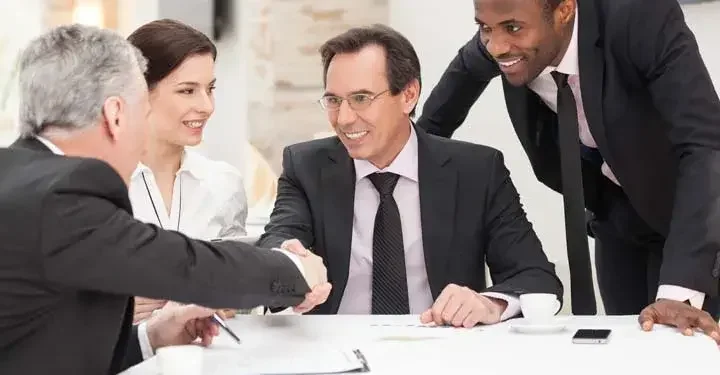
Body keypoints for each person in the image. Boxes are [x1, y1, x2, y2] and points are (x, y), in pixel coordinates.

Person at [0, 24, 331, 374]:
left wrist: (152, 336)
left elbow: (44, 348)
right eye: (142, 114)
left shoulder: (17, 174)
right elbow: (187, 264)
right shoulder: (64, 193)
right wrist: (293, 269)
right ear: (115, 115)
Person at [415, 0, 720, 340]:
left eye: (513, 28)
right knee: (629, 348)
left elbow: (705, 145)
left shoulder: (641, 16)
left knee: (688, 349)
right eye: (485, 29)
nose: (496, 47)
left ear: (564, 11)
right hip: (619, 214)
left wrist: (680, 291)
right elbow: (432, 126)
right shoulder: (502, 34)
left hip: (700, 219)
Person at [257, 24, 563, 327]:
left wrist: (489, 303)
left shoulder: (477, 171)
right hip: (336, 352)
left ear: (409, 95)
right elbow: (280, 238)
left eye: (361, 98)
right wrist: (289, 263)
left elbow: (537, 279)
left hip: (442, 350)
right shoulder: (305, 165)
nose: (345, 118)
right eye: (334, 101)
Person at [126, 19, 250, 323]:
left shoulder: (224, 184)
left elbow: (241, 292)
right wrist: (108, 308)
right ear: (140, 91)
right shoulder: (94, 185)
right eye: (187, 91)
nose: (207, 106)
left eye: (210, 89)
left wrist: (231, 299)